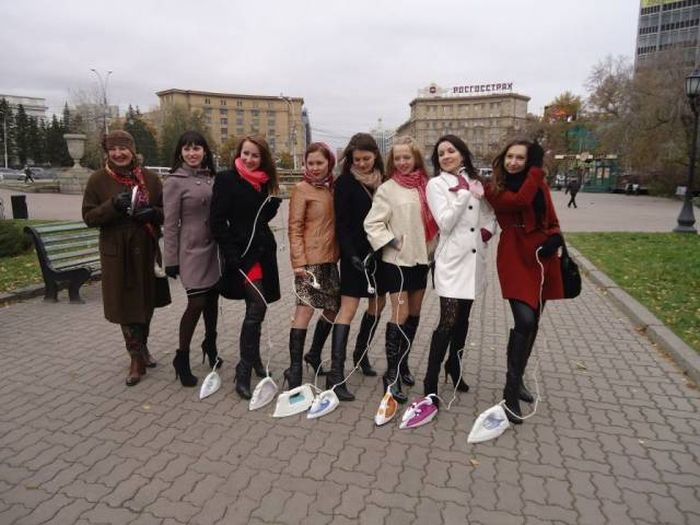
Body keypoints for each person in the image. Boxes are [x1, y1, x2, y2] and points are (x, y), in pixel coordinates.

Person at [484, 138, 564, 424]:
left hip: (542, 257)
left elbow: (551, 218)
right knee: (525, 320)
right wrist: (536, 172)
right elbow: (519, 202)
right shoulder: (494, 187)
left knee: (534, 322)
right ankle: (509, 391)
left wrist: (555, 237)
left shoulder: (538, 184)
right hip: (515, 254)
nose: (514, 162)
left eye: (520, 157)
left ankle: (517, 382)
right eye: (510, 157)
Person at [82, 130, 170, 386]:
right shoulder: (98, 180)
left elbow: (166, 212)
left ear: (132, 150)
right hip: (117, 253)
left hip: (146, 250)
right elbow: (88, 217)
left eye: (123, 148)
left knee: (146, 303)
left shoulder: (151, 179)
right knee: (126, 306)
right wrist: (112, 206)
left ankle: (142, 348)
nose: (118, 154)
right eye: (113, 150)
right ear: (107, 152)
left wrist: (152, 213)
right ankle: (135, 358)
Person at [423, 135, 496, 410]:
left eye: (450, 151)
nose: (445, 156)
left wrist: (487, 232)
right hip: (451, 263)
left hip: (474, 260)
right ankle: (430, 381)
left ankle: (454, 366)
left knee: (464, 319)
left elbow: (490, 214)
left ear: (462, 154)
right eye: (440, 153)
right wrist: (464, 193)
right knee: (447, 321)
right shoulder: (436, 184)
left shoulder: (477, 181)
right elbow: (445, 223)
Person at [364, 136, 436, 403]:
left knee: (414, 315)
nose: (403, 162)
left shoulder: (427, 187)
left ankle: (403, 363)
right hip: (396, 262)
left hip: (421, 260)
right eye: (398, 158)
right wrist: (392, 241)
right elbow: (373, 223)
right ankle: (391, 376)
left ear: (416, 158)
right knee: (400, 312)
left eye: (407, 157)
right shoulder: (387, 189)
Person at [210, 136, 281, 399]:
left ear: (263, 159)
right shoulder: (227, 179)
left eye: (256, 155)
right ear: (239, 154)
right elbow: (217, 221)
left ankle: (255, 358)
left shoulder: (264, 182)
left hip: (263, 252)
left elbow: (257, 220)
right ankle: (244, 369)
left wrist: (270, 208)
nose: (250, 159)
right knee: (257, 306)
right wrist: (231, 255)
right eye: (246, 154)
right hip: (241, 255)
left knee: (257, 307)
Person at [286, 143, 346, 396]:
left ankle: (313, 353)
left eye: (319, 163)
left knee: (333, 309)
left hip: (330, 260)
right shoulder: (301, 189)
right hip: (308, 261)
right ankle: (295, 370)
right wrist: (298, 262)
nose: (314, 168)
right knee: (304, 312)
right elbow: (294, 227)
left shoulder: (333, 189)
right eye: (310, 163)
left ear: (329, 164)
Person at [163, 130, 221, 387]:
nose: (192, 152)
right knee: (196, 303)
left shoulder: (211, 179)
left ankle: (210, 345)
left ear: (205, 151)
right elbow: (170, 223)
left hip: (214, 249)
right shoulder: (174, 181)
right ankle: (182, 357)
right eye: (187, 148)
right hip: (191, 251)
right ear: (180, 153)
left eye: (197, 148)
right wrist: (171, 259)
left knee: (211, 300)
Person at [332, 133, 387, 381]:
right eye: (357, 159)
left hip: (380, 254)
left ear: (375, 155)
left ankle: (361, 353)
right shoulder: (345, 182)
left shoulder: (384, 182)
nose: (362, 164)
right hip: (354, 254)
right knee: (348, 309)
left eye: (366, 158)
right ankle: (336, 372)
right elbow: (341, 225)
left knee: (378, 304)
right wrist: (350, 254)